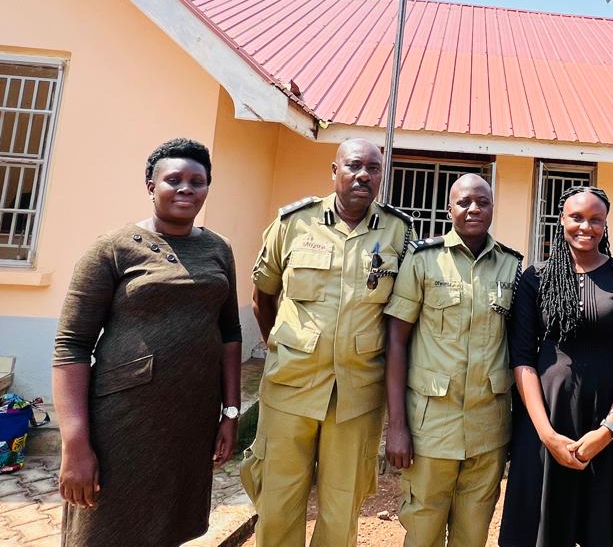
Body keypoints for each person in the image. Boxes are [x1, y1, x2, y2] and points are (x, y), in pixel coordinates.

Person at [53, 138, 242, 546]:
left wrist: (230, 412)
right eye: (174, 180)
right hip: (123, 421)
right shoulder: (112, 249)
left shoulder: (218, 248)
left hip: (191, 419)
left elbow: (230, 333)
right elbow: (71, 345)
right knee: (106, 526)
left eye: (198, 181)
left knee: (170, 524)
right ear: (150, 186)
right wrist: (75, 444)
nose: (186, 188)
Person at [240, 138, 412, 547]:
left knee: (342, 507)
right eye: (354, 166)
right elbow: (263, 295)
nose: (363, 175)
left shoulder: (398, 231)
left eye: (373, 168)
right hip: (290, 388)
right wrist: (283, 347)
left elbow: (401, 316)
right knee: (279, 501)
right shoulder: (293, 223)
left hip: (358, 393)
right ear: (334, 171)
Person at [499, 186, 613, 547]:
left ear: (605, 224)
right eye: (577, 218)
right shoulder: (535, 278)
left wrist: (608, 429)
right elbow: (522, 359)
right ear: (561, 220)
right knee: (544, 528)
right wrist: (546, 434)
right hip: (547, 417)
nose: (586, 226)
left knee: (600, 525)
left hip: (609, 419)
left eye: (596, 219)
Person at [384, 174, 523, 547]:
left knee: (473, 535)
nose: (474, 208)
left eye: (483, 202)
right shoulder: (423, 260)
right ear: (449, 209)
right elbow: (396, 340)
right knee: (423, 532)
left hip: (488, 429)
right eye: (464, 202)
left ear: (492, 208)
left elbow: (519, 349)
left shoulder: (511, 266)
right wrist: (396, 426)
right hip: (432, 428)